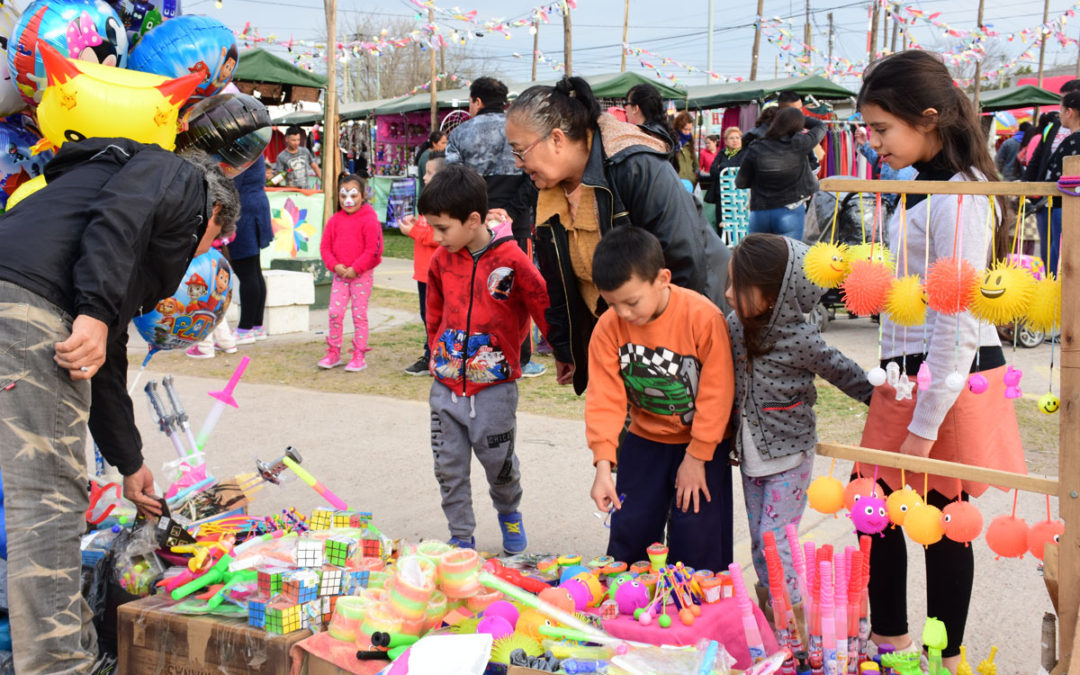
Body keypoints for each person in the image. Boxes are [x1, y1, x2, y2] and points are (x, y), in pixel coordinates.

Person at [0, 138, 240, 673]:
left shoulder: (86, 203)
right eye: (206, 246)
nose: (195, 259)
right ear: (214, 214)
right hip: (29, 312)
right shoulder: (179, 177)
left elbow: (104, 363)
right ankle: (59, 665)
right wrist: (92, 310)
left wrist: (130, 463)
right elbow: (122, 215)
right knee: (47, 504)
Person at [857, 50, 1025, 669]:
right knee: (885, 510)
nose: (875, 146)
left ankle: (933, 653)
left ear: (927, 118)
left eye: (882, 129)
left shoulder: (960, 195)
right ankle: (898, 645)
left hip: (942, 374)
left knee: (936, 518)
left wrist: (926, 426)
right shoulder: (932, 187)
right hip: (913, 371)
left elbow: (954, 319)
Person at [505, 76, 731, 395]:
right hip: (621, 338)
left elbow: (686, 265)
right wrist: (566, 347)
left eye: (520, 151)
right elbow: (559, 279)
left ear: (556, 139)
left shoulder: (634, 165)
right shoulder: (546, 188)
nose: (517, 163)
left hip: (680, 336)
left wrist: (669, 352)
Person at [725, 233, 872, 626]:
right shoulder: (734, 327)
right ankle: (774, 615)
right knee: (759, 540)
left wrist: (881, 400)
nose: (727, 294)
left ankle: (796, 624)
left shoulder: (801, 338)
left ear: (773, 295)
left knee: (776, 538)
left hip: (790, 454)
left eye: (737, 287)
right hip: (751, 456)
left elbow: (843, 371)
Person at [586, 227, 735, 571]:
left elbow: (718, 394)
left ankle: (700, 619)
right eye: (612, 304)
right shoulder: (608, 328)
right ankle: (630, 614)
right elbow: (604, 399)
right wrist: (604, 466)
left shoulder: (703, 317)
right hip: (644, 442)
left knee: (698, 542)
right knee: (631, 534)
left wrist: (697, 458)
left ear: (663, 279)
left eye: (632, 301)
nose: (623, 313)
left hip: (703, 447)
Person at [419, 164, 550, 553]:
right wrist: (436, 350)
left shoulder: (512, 259)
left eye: (442, 228)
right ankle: (461, 536)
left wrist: (564, 354)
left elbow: (542, 304)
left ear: (473, 220)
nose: (436, 237)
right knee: (448, 467)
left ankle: (510, 515)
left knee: (500, 465)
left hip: (495, 390)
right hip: (445, 387)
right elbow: (434, 311)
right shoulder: (441, 261)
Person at [446, 76, 546, 377]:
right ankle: (523, 357)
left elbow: (453, 180)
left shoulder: (460, 133)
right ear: (505, 102)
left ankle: (475, 349)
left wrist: (476, 213)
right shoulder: (519, 132)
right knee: (520, 288)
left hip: (473, 221)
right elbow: (535, 176)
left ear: (476, 102)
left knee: (475, 285)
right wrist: (512, 212)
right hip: (515, 223)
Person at [318, 174, 383, 371]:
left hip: (360, 276)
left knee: (359, 315)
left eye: (354, 196)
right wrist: (334, 265)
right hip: (340, 275)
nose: (348, 200)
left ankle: (359, 354)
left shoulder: (370, 220)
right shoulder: (334, 221)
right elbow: (325, 247)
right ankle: (333, 352)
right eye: (343, 195)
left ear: (363, 196)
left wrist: (356, 268)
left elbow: (374, 250)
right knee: (335, 314)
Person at [735, 107, 826, 240]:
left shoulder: (756, 147)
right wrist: (798, 119)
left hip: (760, 211)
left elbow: (741, 182)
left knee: (757, 257)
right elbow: (821, 125)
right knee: (790, 257)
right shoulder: (800, 143)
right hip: (790, 209)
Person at [400, 153, 445, 376]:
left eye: (429, 173)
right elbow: (425, 229)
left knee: (436, 317)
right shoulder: (428, 201)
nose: (424, 177)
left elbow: (437, 235)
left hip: (436, 274)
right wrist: (414, 224)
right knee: (426, 316)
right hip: (423, 273)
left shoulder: (443, 204)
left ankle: (437, 356)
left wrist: (413, 231)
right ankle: (431, 355)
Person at [229, 156, 274, 344]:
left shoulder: (243, 150)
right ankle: (256, 325)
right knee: (254, 270)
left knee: (247, 271)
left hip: (244, 211)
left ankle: (245, 328)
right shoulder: (255, 146)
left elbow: (231, 184)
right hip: (255, 206)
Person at [1038, 91, 1080, 276]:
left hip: (1065, 205)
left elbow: (1055, 173)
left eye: (1061, 110)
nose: (1060, 114)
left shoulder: (1071, 142)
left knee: (1061, 259)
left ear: (1069, 112)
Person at [854, 125, 917, 210]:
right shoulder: (888, 154)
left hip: (900, 210)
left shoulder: (906, 155)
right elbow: (880, 166)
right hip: (886, 208)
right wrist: (864, 144)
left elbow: (902, 184)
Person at [672, 111, 697, 186]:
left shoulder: (690, 142)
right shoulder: (673, 142)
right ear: (679, 127)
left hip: (690, 181)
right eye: (685, 129)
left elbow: (695, 163)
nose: (687, 132)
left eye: (689, 130)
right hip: (676, 182)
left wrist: (695, 175)